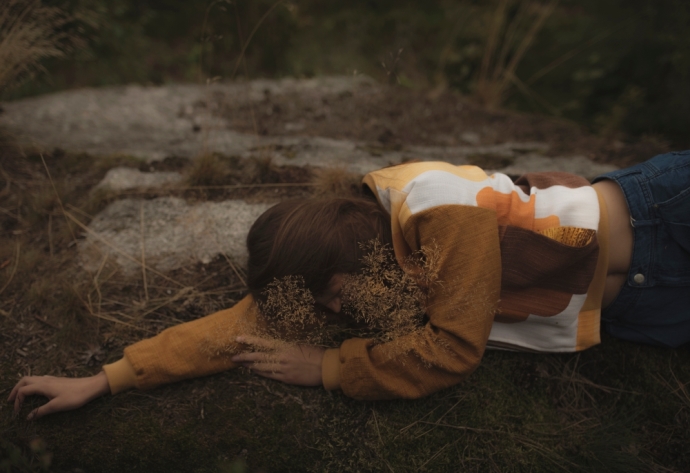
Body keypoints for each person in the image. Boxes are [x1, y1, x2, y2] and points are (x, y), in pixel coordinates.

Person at [8, 152, 690, 420]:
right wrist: (105, 379)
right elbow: (234, 329)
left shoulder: (439, 208)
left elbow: (455, 347)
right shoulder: (351, 266)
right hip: (638, 306)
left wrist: (332, 367)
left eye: (332, 292)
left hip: (662, 220)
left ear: (352, 251)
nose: (334, 311)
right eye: (322, 303)